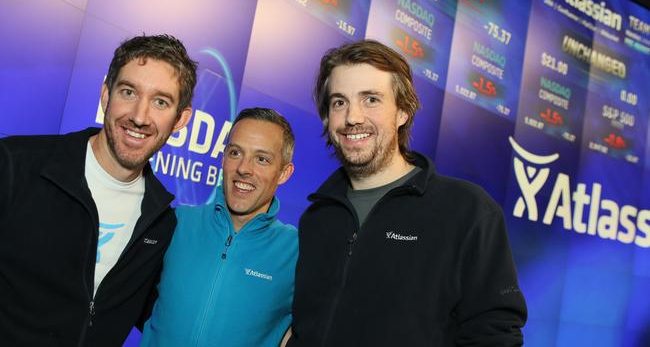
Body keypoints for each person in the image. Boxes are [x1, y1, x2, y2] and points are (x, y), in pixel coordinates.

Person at [288, 40, 527, 346]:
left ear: (402, 111)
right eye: (339, 102)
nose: (352, 117)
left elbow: (494, 335)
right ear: (326, 117)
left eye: (371, 99)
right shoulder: (317, 218)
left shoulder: (467, 211)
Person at [0, 34, 195, 346]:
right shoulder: (15, 164)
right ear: (106, 94)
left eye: (161, 102)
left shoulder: (161, 222)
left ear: (180, 119)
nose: (140, 116)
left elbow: (167, 318)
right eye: (129, 92)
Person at [140, 107, 298, 347]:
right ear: (223, 159)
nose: (244, 168)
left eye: (262, 159)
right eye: (235, 152)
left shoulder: (297, 252)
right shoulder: (176, 223)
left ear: (284, 173)